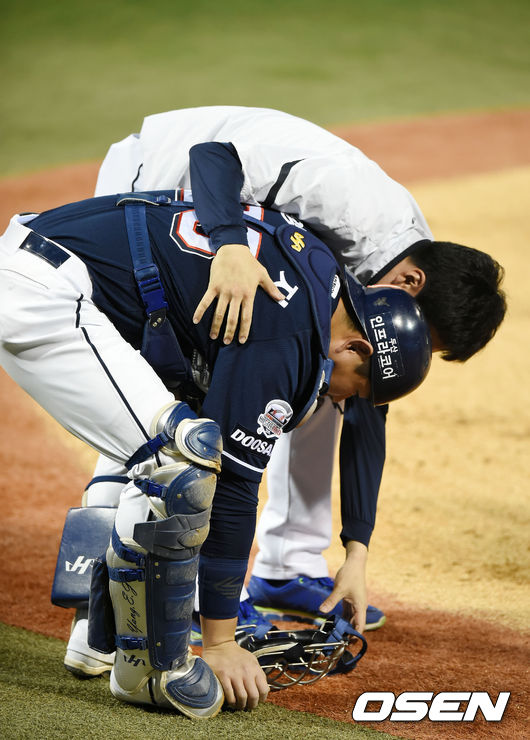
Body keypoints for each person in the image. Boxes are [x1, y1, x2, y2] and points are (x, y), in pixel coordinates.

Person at [0, 189, 432, 716]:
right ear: (355, 348)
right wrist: (222, 642)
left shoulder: (320, 274)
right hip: (45, 291)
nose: (340, 401)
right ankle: (151, 672)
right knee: (186, 461)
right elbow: (235, 489)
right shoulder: (293, 338)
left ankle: (100, 637)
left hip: (51, 261)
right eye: (355, 390)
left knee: (171, 439)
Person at [84, 106, 506, 638]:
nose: (411, 345)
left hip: (228, 209)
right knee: (204, 371)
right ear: (410, 283)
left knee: (331, 382)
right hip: (167, 176)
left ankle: (289, 564)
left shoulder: (404, 273)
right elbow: (213, 157)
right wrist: (230, 245)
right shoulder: (351, 201)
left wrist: (357, 549)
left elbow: (368, 407)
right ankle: (173, 584)